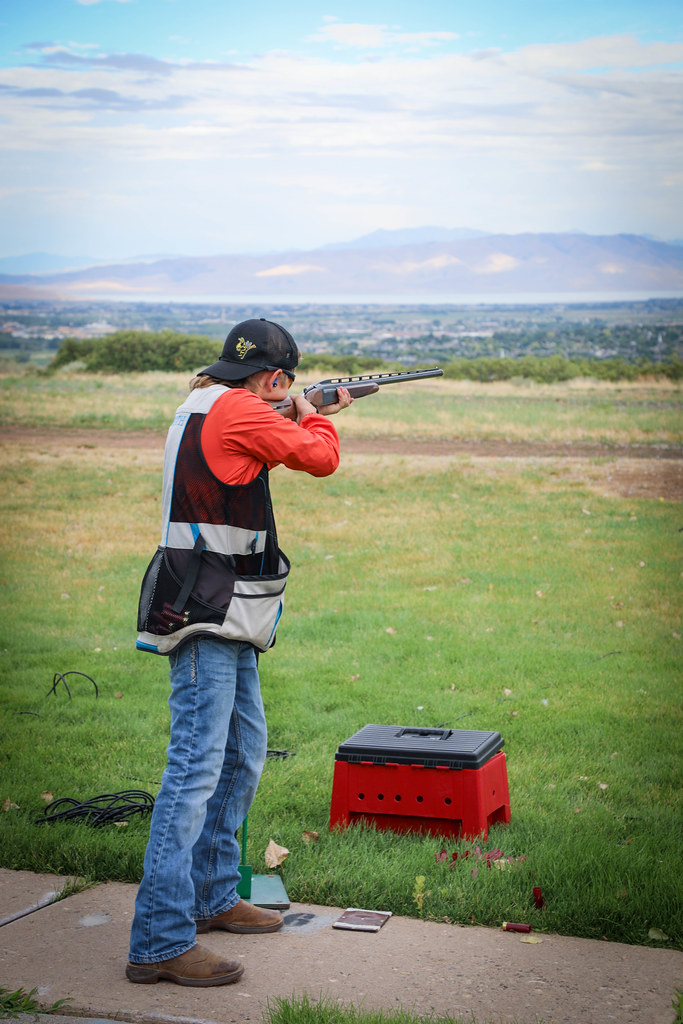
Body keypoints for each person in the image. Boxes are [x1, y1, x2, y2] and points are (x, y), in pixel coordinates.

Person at [126, 318, 352, 987]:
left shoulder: (209, 401)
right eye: (282, 385)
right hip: (207, 604)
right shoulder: (239, 411)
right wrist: (317, 417)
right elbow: (320, 459)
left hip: (223, 602)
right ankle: (159, 940)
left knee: (243, 751)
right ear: (275, 377)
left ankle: (212, 897)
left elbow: (251, 456)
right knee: (195, 769)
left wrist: (298, 411)